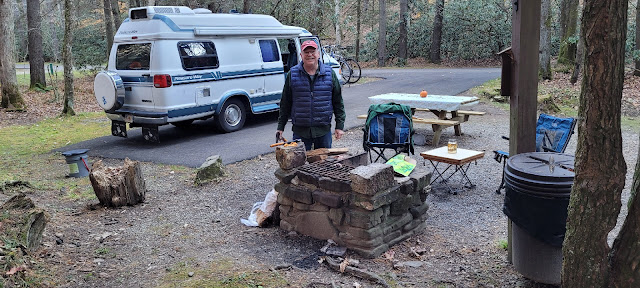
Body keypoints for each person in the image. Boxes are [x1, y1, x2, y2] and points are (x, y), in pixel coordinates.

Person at [276, 40, 345, 151]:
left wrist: (339, 126)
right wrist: (280, 127)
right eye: (306, 52)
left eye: (312, 51)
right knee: (299, 164)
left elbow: (338, 102)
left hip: (323, 131)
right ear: (301, 55)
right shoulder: (292, 74)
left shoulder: (329, 73)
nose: (309, 55)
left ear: (318, 54)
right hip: (300, 131)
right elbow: (285, 103)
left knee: (324, 164)